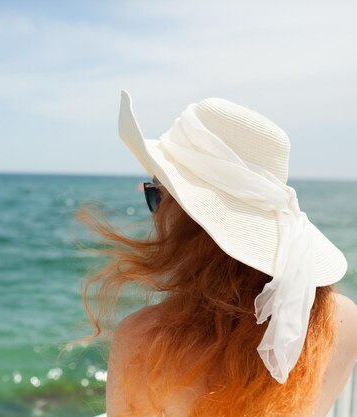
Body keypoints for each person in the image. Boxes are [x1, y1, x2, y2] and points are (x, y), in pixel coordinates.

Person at [74, 91, 357, 417]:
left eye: (156, 193)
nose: (155, 211)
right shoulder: (341, 321)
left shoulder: (146, 342)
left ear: (189, 218)